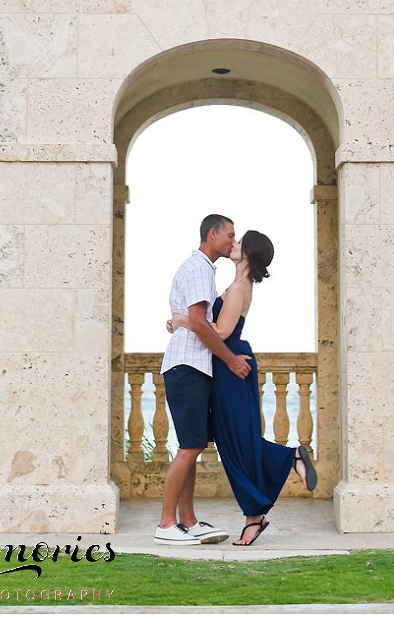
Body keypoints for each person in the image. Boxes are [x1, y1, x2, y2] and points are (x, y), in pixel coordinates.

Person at [168, 229, 318, 545]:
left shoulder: (238, 287)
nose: (233, 243)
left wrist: (182, 320)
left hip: (231, 365)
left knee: (236, 440)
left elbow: (220, 333)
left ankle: (289, 460)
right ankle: (255, 515)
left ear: (248, 251)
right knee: (234, 440)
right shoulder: (237, 285)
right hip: (227, 366)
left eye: (238, 240)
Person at [156, 214, 254, 546]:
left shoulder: (201, 269)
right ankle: (167, 524)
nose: (232, 241)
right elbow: (200, 323)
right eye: (229, 235)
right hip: (188, 367)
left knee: (191, 445)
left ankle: (188, 521)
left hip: (192, 366)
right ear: (212, 234)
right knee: (189, 447)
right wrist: (229, 361)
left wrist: (178, 321)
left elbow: (192, 320)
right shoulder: (199, 269)